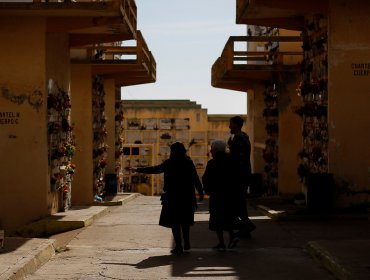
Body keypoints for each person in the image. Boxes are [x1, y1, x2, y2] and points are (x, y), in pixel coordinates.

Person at [128, 142, 204, 255]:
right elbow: (195, 178)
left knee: (175, 222)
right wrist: (200, 192)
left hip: (173, 197)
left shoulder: (170, 163)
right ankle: (186, 242)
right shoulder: (188, 163)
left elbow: (155, 169)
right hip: (187, 196)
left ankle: (179, 246)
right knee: (185, 221)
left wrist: (137, 169)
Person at [202, 140, 241, 251]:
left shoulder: (212, 163)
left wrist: (207, 190)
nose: (210, 151)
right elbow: (237, 177)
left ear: (215, 150)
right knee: (228, 216)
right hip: (229, 194)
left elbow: (205, 178)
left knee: (217, 219)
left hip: (216, 194)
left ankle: (221, 242)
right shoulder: (231, 161)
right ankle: (232, 235)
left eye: (212, 149)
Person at [227, 116, 256, 238]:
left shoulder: (238, 138)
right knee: (239, 201)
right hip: (243, 174)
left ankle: (246, 225)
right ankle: (246, 229)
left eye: (231, 124)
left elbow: (236, 159)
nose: (229, 126)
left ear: (236, 125)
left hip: (239, 175)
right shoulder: (243, 137)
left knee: (237, 201)